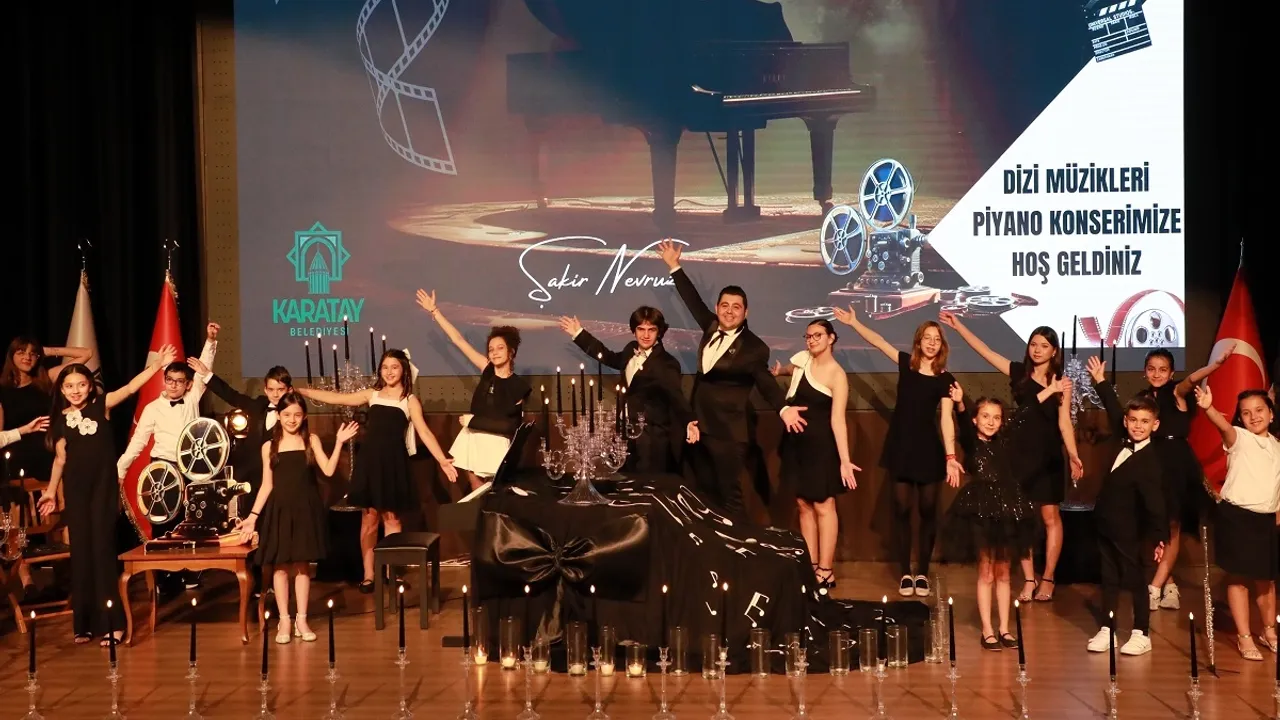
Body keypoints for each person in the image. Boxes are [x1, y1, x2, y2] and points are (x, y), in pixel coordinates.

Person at [655, 239, 806, 516]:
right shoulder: (711, 326)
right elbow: (692, 301)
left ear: (746, 312)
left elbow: (765, 382)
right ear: (717, 308)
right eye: (724, 305)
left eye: (736, 307)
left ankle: (737, 543)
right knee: (702, 497)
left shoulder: (754, 347)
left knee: (729, 500)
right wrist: (674, 266)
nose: (729, 311)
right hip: (698, 428)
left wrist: (783, 409)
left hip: (728, 435)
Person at [37, 346, 177, 645]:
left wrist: (157, 366)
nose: (76, 391)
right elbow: (60, 460)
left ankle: (113, 623)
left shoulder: (102, 405)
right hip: (76, 492)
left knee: (102, 552)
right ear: (61, 390)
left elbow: (130, 388)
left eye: (81, 384)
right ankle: (84, 624)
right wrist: (50, 492)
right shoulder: (60, 420)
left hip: (102, 489)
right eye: (70, 386)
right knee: (81, 555)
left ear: (90, 386)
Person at [941, 313, 1083, 602]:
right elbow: (985, 351)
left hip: (1048, 455)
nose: (1037, 350)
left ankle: (1048, 577)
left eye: (1044, 345)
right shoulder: (1019, 372)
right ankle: (1029, 578)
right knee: (1021, 516)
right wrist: (959, 326)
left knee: (1050, 516)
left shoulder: (1061, 382)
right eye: (1034, 344)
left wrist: (1073, 455)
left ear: (1054, 351)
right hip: (1018, 454)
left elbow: (1064, 423)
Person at [298, 349, 457, 593]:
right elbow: (338, 398)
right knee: (369, 519)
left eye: (394, 367)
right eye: (385, 367)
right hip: (370, 464)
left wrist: (442, 460)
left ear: (403, 370)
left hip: (393, 464)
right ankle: (369, 575)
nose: (389, 371)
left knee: (391, 519)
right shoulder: (372, 394)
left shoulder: (409, 400)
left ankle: (391, 573)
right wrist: (302, 391)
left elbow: (424, 432)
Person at [833, 307, 958, 597]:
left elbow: (946, 420)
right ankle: (905, 573)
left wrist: (951, 457)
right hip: (901, 447)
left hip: (928, 450)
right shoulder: (906, 365)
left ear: (941, 345)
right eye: (927, 338)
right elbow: (878, 342)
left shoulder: (945, 379)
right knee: (901, 510)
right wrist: (854, 322)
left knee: (927, 510)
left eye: (936, 339)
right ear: (918, 342)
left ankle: (922, 573)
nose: (931, 343)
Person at [236, 392, 357, 644]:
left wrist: (338, 443)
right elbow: (267, 485)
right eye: (287, 414)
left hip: (305, 508)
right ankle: (284, 620)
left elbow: (328, 470)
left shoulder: (311, 440)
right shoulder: (269, 446)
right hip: (280, 509)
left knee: (302, 565)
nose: (292, 420)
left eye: (297, 415)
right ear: (279, 416)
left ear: (304, 417)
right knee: (280, 566)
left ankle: (302, 619)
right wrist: (252, 516)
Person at [1139, 343, 1235, 612]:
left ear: (1171, 373)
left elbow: (1192, 380)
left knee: (1172, 527)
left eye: (1163, 370)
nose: (1157, 374)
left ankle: (1154, 587)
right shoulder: (1143, 398)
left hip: (1176, 466)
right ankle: (1169, 585)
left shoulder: (1177, 392)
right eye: (1151, 369)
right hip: (1149, 462)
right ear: (1144, 371)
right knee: (1152, 527)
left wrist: (1215, 366)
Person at [941, 387, 1038, 651]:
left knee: (1003, 572)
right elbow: (962, 423)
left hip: (1006, 509)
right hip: (981, 510)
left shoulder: (1005, 441)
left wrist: (1050, 389)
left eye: (996, 417)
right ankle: (987, 630)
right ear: (976, 419)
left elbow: (1025, 412)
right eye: (985, 416)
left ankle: (1004, 628)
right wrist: (960, 404)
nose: (991, 422)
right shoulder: (971, 441)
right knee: (986, 571)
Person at [1084, 356, 1167, 657]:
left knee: (1135, 580)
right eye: (1133, 420)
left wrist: (1159, 537)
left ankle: (1141, 632)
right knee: (1108, 579)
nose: (1137, 426)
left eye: (1144, 422)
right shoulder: (1122, 438)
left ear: (1155, 425)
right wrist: (1100, 381)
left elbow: (1156, 503)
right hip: (1106, 525)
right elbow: (1113, 407)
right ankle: (1108, 629)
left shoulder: (1151, 461)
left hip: (1132, 532)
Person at [771, 319, 859, 591]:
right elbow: (792, 369)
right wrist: (779, 372)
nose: (811, 340)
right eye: (808, 336)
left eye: (817, 335)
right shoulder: (803, 360)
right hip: (796, 446)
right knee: (803, 504)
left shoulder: (837, 374)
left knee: (823, 505)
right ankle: (809, 567)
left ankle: (826, 570)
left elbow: (838, 420)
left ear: (831, 338)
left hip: (821, 449)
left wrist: (844, 460)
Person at [1194, 384, 1279, 660]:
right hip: (1237, 518)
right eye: (1246, 413)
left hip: (1266, 520)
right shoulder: (1239, 438)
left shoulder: (1277, 446)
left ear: (1271, 414)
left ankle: (1269, 631)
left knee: (1266, 580)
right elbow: (1224, 427)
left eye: (1259, 410)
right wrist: (1209, 408)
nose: (1254, 417)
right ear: (1240, 418)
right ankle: (1244, 637)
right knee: (1239, 579)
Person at [416, 290, 531, 491]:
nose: (494, 352)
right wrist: (435, 311)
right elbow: (458, 340)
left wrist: (473, 421)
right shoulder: (487, 370)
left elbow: (510, 426)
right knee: (476, 491)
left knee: (494, 493)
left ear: (511, 352)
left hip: (496, 444)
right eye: (491, 349)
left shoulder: (518, 386)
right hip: (473, 438)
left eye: (500, 348)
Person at [559, 307, 693, 473]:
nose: (646, 335)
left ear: (659, 332)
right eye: (641, 329)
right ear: (634, 331)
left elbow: (676, 396)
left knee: (648, 483)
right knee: (625, 480)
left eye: (651, 330)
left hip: (651, 437)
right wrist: (579, 333)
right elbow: (608, 357)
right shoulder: (631, 349)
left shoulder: (667, 363)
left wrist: (689, 421)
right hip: (625, 432)